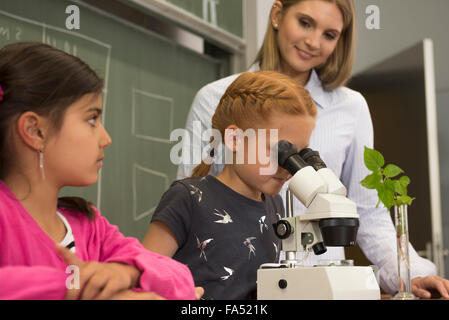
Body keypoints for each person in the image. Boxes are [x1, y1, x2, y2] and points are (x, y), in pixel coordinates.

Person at [176, 0, 449, 298]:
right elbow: (191, 205)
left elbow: (368, 213)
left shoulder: (351, 107)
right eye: (305, 23)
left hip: (321, 288)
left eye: (329, 35)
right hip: (239, 289)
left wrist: (411, 275)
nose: (313, 42)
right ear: (277, 15)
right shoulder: (215, 98)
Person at [0, 42, 196, 300]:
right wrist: (80, 288)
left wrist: (127, 271)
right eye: (92, 119)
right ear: (36, 131)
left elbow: (180, 278)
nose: (106, 138)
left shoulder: (89, 225)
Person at [142, 71, 317, 299]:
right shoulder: (188, 198)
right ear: (234, 139)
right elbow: (142, 279)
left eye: (298, 154)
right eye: (280, 151)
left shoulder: (274, 204)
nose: (288, 167)